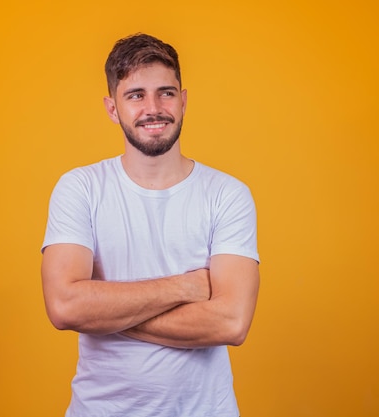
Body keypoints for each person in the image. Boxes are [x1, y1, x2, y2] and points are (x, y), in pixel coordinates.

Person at [41, 33, 260, 417]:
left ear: (184, 99)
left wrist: (103, 311)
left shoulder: (227, 194)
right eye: (136, 95)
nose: (154, 108)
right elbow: (64, 306)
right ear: (113, 108)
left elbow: (230, 322)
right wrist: (186, 286)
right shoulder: (81, 188)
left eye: (166, 92)